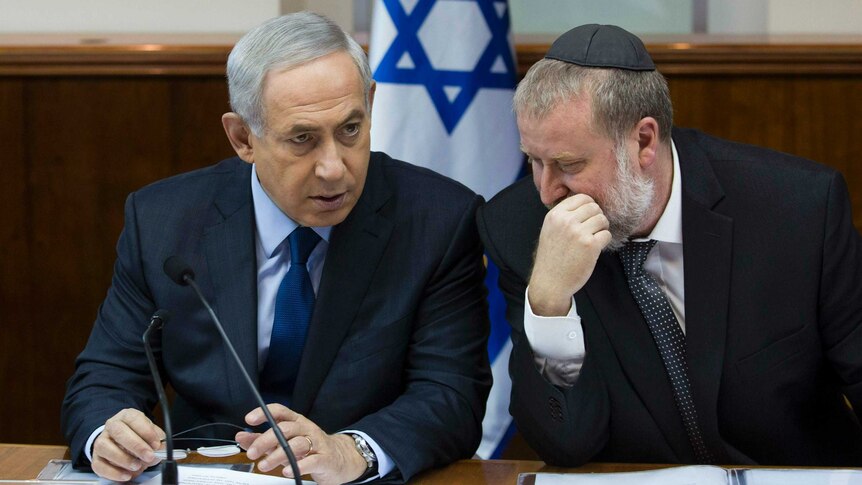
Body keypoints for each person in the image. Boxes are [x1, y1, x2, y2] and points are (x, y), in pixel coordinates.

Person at [62, 12, 491, 484]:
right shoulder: (164, 220)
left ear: (370, 103)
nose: (333, 168)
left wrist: (355, 451)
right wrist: (107, 433)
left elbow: (452, 394)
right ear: (242, 137)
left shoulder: (437, 220)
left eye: (350, 129)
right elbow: (106, 376)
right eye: (302, 139)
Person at [477, 24, 862, 467]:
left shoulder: (796, 208)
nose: (546, 193)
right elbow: (567, 444)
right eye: (534, 160)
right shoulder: (519, 228)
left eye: (568, 164)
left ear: (643, 141)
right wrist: (548, 303)